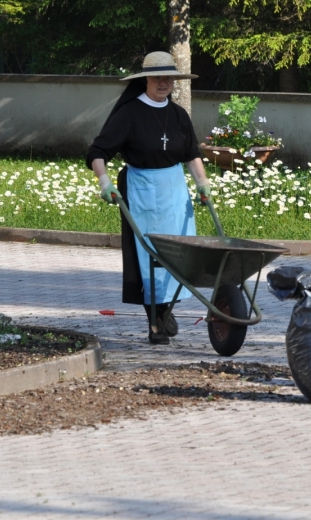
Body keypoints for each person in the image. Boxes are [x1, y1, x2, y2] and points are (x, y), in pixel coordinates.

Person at [86, 51, 211, 345]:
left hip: (174, 191)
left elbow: (191, 153)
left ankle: (165, 309)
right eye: (157, 77)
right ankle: (156, 318)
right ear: (145, 80)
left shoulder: (178, 114)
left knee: (179, 253)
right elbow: (97, 152)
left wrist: (203, 183)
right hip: (143, 189)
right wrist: (104, 182)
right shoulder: (129, 113)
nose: (163, 82)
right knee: (149, 255)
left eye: (168, 77)